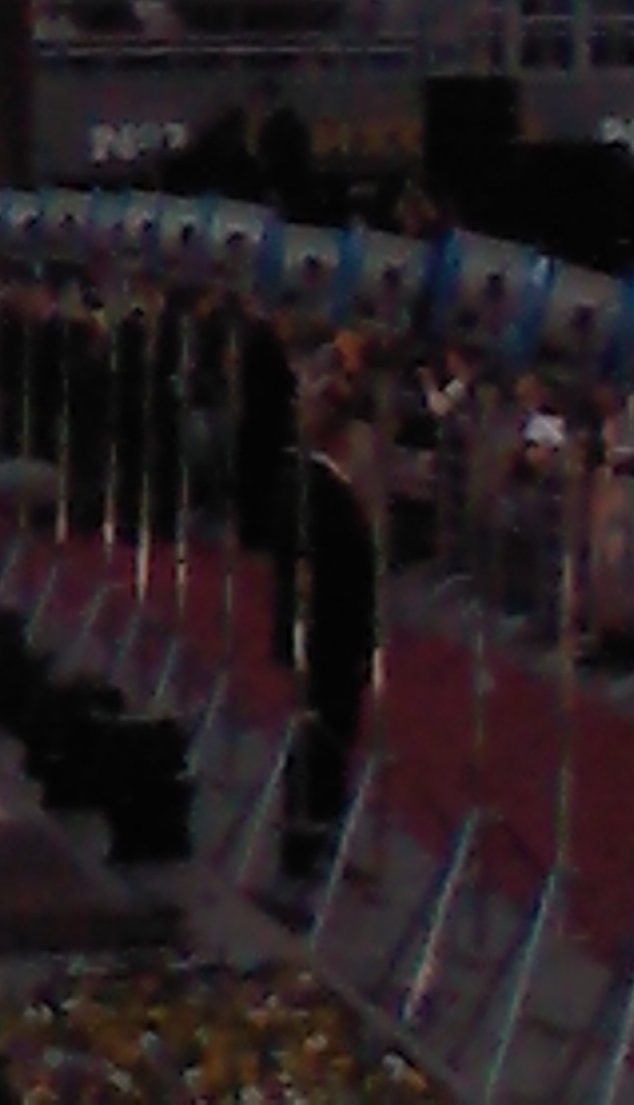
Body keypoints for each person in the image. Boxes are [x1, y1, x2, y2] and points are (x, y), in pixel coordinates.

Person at [271, 376, 379, 900]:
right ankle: (307, 843)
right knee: (324, 742)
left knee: (323, 741)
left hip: (324, 634)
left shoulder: (309, 487)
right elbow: (341, 573)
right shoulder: (323, 496)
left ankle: (314, 837)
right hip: (330, 636)